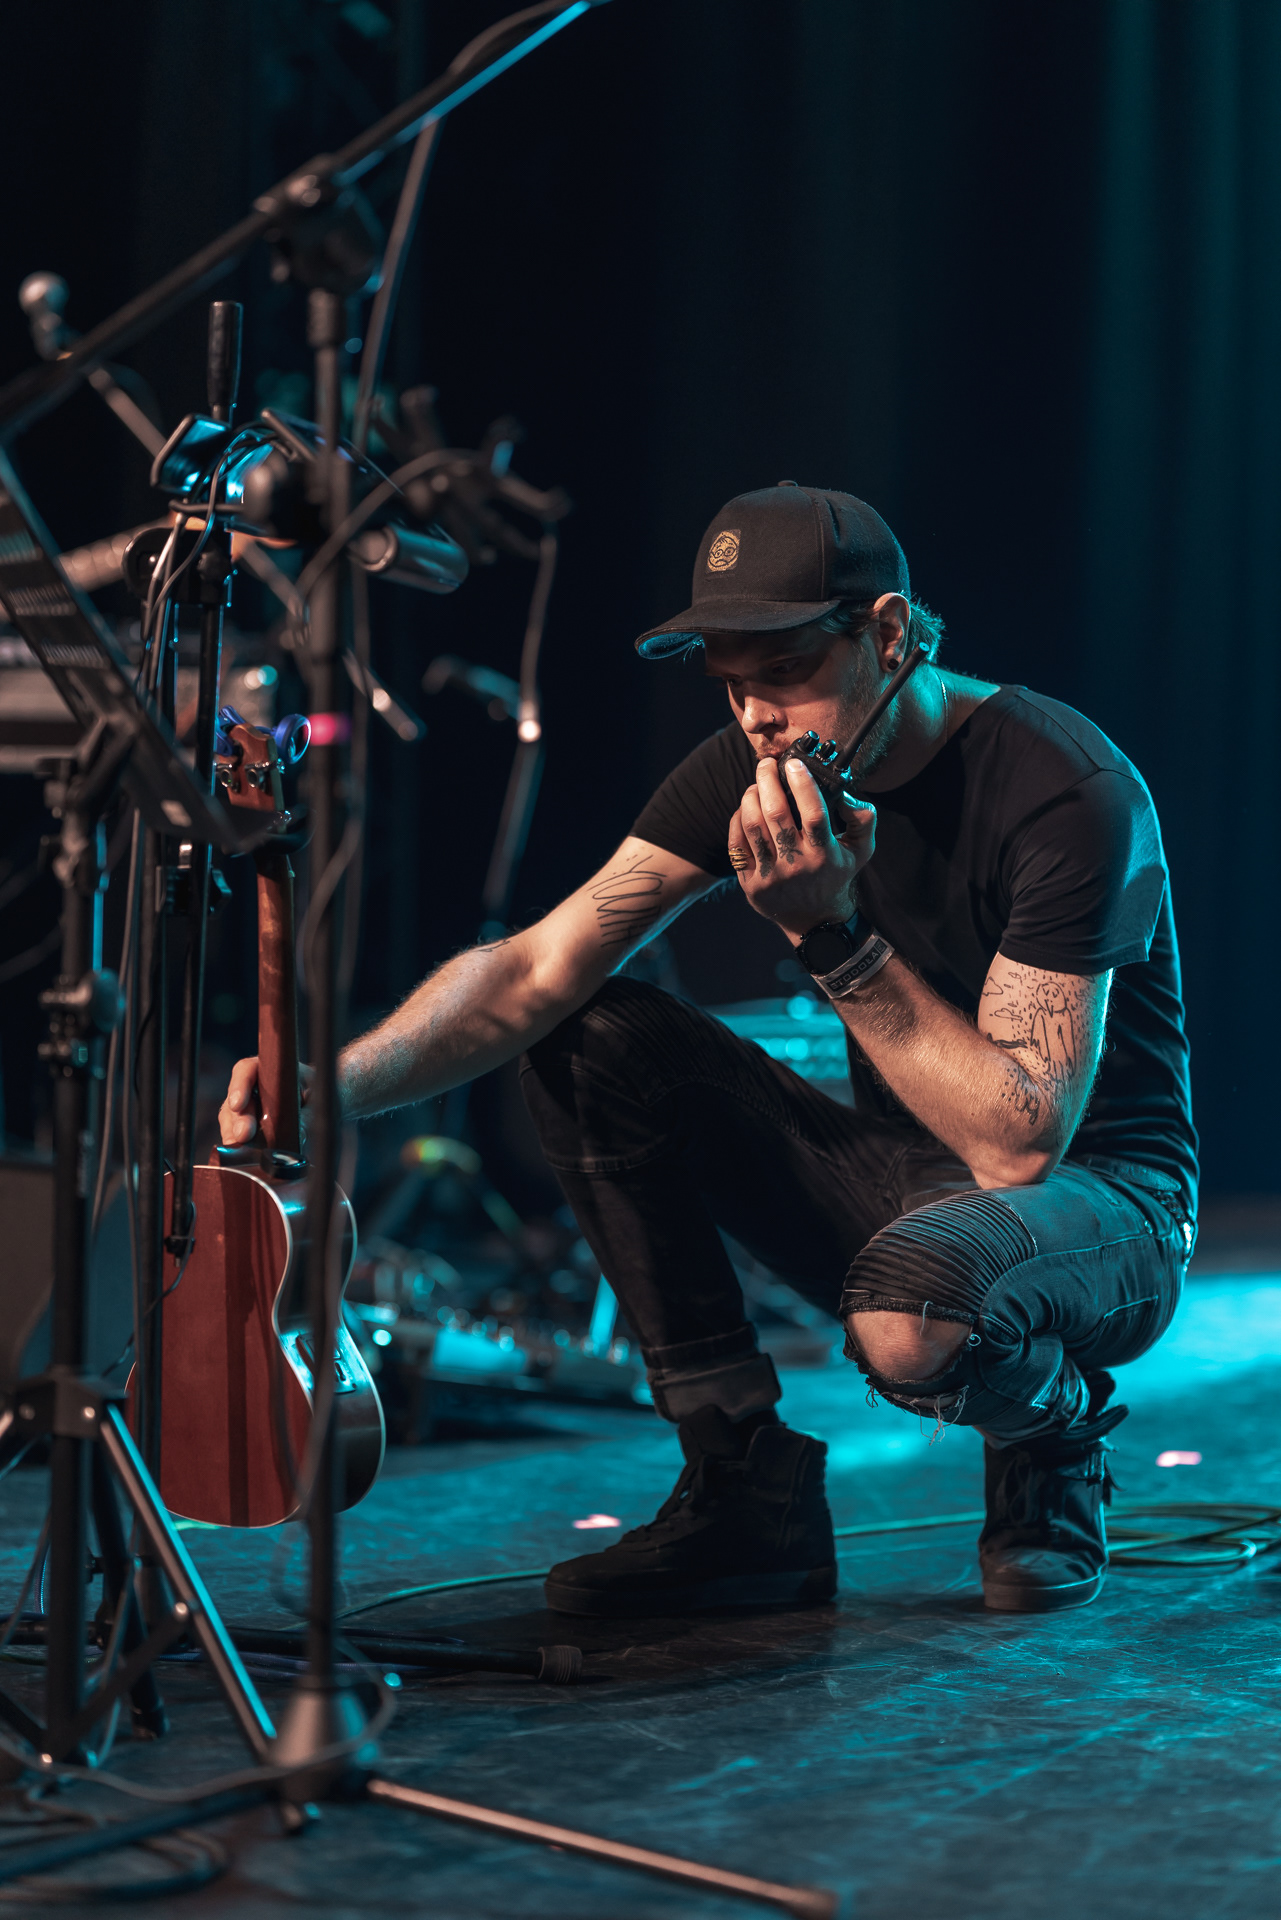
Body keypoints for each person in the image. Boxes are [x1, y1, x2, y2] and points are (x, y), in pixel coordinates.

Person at [220, 483, 1196, 1619]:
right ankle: (742, 1485)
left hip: (1104, 1204)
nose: (757, 717)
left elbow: (1019, 1141)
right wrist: (326, 1089)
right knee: (586, 1033)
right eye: (732, 683)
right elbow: (534, 970)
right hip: (909, 1175)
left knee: (911, 1316)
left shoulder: (1063, 788)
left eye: (785, 671)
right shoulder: (757, 758)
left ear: (887, 635)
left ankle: (1055, 1431)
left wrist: (831, 938)